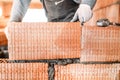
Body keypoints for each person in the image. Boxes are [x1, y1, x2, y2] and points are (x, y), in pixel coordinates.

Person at [9, 0, 97, 23]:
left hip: (74, 27)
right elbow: (21, 1)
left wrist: (86, 4)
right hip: (52, 29)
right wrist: (13, 21)